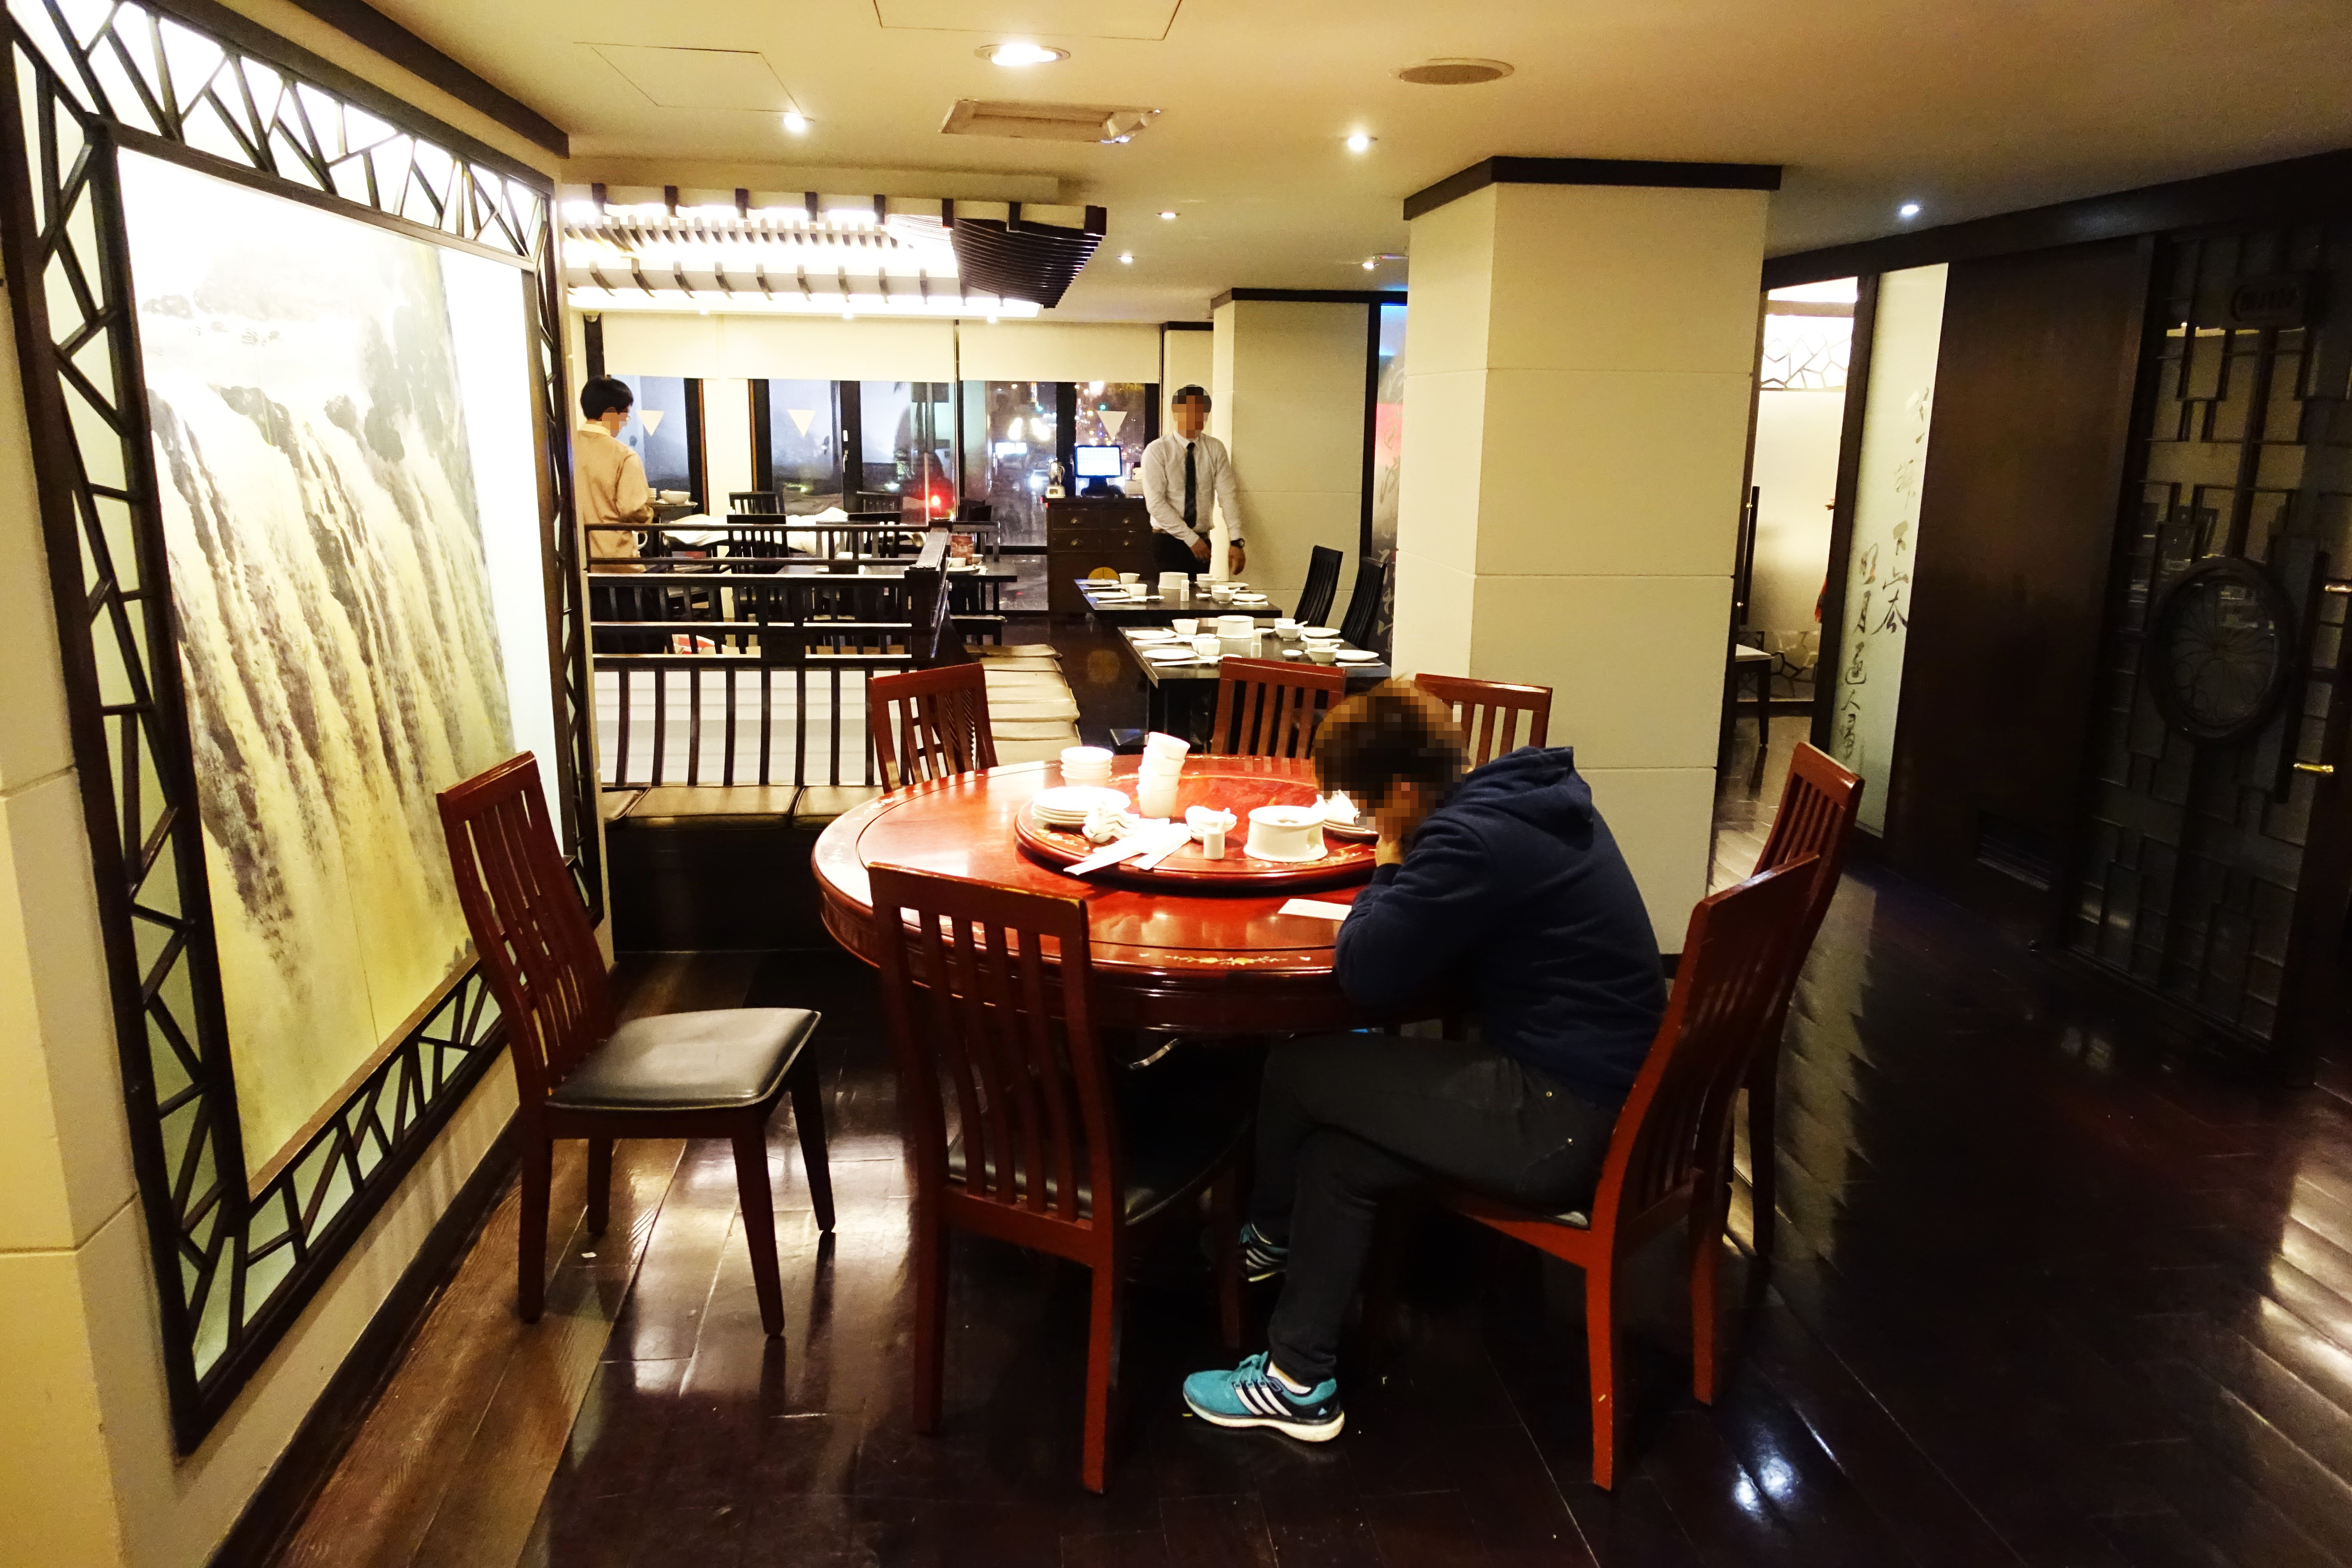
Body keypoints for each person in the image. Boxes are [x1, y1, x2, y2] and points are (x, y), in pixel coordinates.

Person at [1182, 682, 1667, 1442]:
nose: (1371, 820)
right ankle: (1298, 1380)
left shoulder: (1468, 842)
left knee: (1298, 1070)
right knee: (1338, 1157)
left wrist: (1387, 864)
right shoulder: (1520, 798)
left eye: (1371, 806)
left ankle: (1266, 1237)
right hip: (1612, 1097)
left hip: (1561, 1119)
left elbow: (1367, 972)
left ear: (1405, 790)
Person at [574, 377, 657, 652]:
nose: (625, 423)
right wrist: (649, 513)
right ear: (610, 413)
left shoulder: (564, 448)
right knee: (636, 646)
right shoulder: (623, 455)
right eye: (625, 415)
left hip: (575, 563)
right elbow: (632, 509)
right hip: (615, 563)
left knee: (592, 646)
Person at [1138, 384, 1245, 579]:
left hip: (1203, 542)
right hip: (1167, 541)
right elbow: (1156, 504)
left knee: (1199, 597)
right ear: (1175, 412)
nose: (1195, 417)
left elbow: (1227, 496)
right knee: (1170, 598)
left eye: (1201, 412)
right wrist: (1190, 539)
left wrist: (1236, 541)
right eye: (1188, 411)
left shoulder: (1215, 448)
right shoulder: (1158, 450)